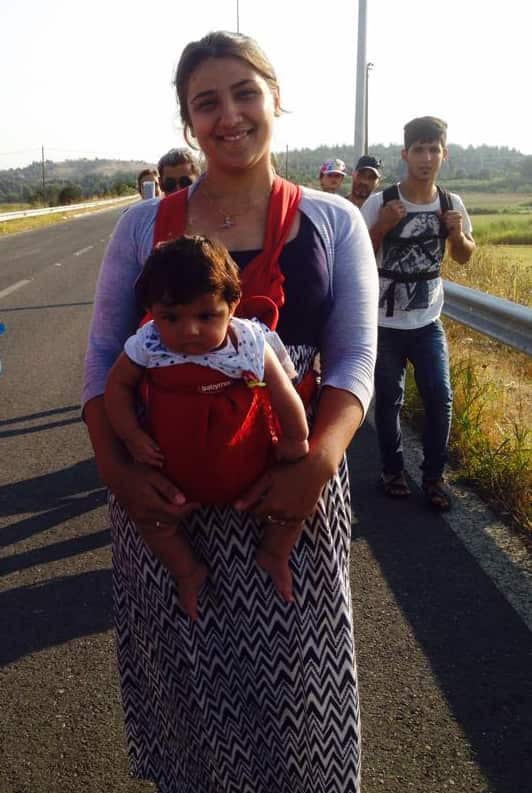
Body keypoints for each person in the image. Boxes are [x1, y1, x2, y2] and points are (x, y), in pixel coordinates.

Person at [83, 30, 378, 793]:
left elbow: (353, 360)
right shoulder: (141, 226)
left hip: (288, 492)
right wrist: (119, 473)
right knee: (188, 700)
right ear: (188, 121)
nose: (230, 115)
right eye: (206, 102)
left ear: (276, 99)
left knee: (301, 702)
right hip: (164, 503)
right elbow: (102, 360)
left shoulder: (333, 221)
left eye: (246, 93)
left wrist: (315, 465)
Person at [104, 234, 310, 617]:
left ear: (233, 305)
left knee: (294, 505)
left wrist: (296, 439)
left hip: (253, 470)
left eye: (205, 316)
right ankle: (188, 571)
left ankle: (275, 551)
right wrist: (131, 435)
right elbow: (116, 387)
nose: (189, 331)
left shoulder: (247, 341)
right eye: (171, 317)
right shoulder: (148, 343)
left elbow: (283, 390)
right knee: (153, 522)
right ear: (150, 311)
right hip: (172, 480)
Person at [361, 115, 475, 511]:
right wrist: (383, 226)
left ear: (444, 154)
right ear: (405, 154)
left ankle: (433, 477)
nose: (426, 158)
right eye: (419, 150)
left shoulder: (450, 203)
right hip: (384, 323)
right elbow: (358, 255)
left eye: (433, 150)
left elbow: (463, 257)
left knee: (440, 399)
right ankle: (392, 472)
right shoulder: (381, 202)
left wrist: (457, 234)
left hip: (427, 321)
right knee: (389, 400)